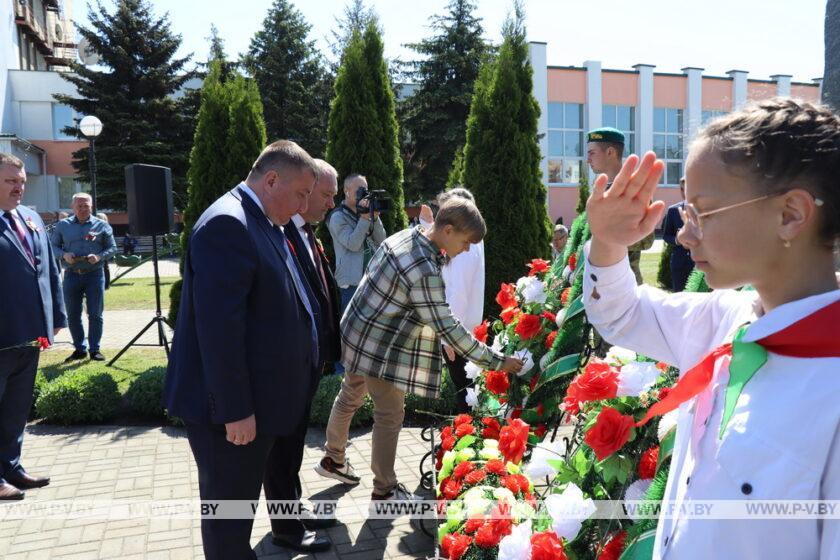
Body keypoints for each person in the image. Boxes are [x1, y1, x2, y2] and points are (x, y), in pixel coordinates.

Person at [583, 98, 840, 559]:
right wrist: (608, 241)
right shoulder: (727, 317)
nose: (683, 234)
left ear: (790, 215)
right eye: (684, 211)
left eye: (703, 211)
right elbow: (619, 313)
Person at [163, 140, 324, 559]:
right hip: (229, 417)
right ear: (272, 180)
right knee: (228, 523)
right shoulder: (228, 224)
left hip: (257, 404)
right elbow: (219, 331)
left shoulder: (261, 218)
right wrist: (235, 409)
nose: (305, 203)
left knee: (236, 514)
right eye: (302, 193)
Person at [315, 197, 524, 502]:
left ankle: (333, 458)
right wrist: (498, 361)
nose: (466, 250)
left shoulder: (409, 234)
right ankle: (384, 490)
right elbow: (448, 327)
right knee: (389, 414)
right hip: (378, 346)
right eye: (466, 243)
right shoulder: (424, 268)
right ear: (449, 230)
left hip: (358, 330)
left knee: (350, 394)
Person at [263, 159, 341, 544]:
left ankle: (293, 506)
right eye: (324, 195)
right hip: (287, 363)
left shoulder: (307, 233)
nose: (329, 203)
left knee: (293, 444)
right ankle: (286, 528)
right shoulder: (281, 234)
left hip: (309, 359)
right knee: (281, 448)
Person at [0, 153, 66, 500]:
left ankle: (11, 468)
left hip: (29, 334)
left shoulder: (30, 217)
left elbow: (48, 271)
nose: (19, 187)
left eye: (22, 181)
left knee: (15, 409)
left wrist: (55, 316)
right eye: (11, 181)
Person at [418, 188, 485, 413]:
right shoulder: (469, 241)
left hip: (458, 331)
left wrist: (448, 339)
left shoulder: (465, 245)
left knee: (465, 394)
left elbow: (458, 292)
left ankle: (464, 442)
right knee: (466, 392)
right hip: (461, 328)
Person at [50, 193, 117, 362]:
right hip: (72, 275)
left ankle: (95, 349)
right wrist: (64, 255)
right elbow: (53, 246)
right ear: (72, 207)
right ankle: (80, 348)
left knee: (95, 314)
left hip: (95, 275)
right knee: (73, 314)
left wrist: (100, 256)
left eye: (86, 205)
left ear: (91, 206)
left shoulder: (102, 225)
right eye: (79, 206)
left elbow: (113, 248)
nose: (82, 209)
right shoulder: (62, 226)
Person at [586, 127, 654, 283]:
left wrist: (605, 238)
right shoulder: (598, 187)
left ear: (610, 152)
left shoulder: (633, 189)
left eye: (592, 153)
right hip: (597, 280)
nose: (587, 159)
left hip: (624, 282)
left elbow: (646, 240)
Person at [327, 173, 387, 313]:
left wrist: (375, 218)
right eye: (359, 190)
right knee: (350, 328)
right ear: (346, 191)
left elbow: (381, 240)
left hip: (371, 280)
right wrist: (365, 218)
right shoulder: (337, 217)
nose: (364, 194)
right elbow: (353, 244)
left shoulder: (366, 212)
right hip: (352, 284)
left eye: (365, 190)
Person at [662, 178, 694, 291]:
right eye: (682, 189)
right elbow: (666, 235)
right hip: (679, 262)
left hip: (699, 264)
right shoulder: (673, 210)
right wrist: (678, 240)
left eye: (688, 188)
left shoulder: (704, 210)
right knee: (679, 297)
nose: (684, 192)